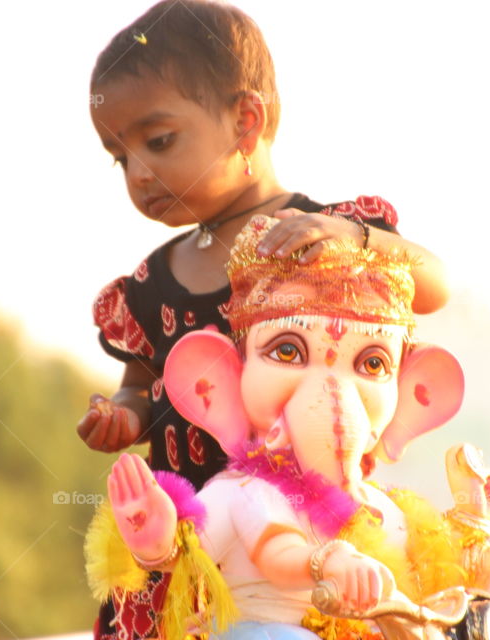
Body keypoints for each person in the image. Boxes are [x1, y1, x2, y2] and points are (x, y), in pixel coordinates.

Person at [76, 2, 449, 638]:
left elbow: (432, 284)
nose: (139, 174)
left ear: (247, 121)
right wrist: (125, 413)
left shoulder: (324, 234)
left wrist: (355, 239)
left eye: (158, 141)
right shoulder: (147, 285)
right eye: (120, 156)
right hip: (193, 539)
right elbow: (142, 382)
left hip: (300, 532)